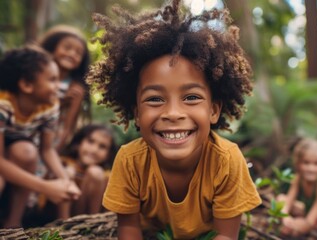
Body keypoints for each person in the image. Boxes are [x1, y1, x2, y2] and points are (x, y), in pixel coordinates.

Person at [86, 1, 262, 239]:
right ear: (137, 113)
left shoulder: (226, 161)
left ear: (213, 110)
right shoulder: (130, 161)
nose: (173, 113)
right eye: (155, 99)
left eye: (191, 97)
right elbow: (129, 229)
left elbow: (226, 236)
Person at [0, 46, 80, 228]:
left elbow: (47, 149)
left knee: (26, 151)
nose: (58, 86)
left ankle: (13, 224)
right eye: (52, 80)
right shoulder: (3, 105)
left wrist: (66, 183)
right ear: (27, 85)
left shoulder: (50, 106)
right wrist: (46, 187)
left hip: (17, 153)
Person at [39, 25, 91, 151]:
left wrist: (56, 152)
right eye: (67, 48)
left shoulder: (76, 89)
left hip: (52, 141)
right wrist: (61, 102)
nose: (72, 54)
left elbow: (67, 128)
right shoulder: (36, 77)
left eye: (79, 53)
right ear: (52, 49)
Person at [57, 124, 117, 219]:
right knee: (68, 172)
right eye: (90, 141)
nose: (94, 150)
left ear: (108, 155)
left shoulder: (107, 177)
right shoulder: (62, 163)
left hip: (89, 218)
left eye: (102, 147)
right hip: (56, 217)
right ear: (78, 144)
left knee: (96, 172)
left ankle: (93, 222)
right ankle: (64, 221)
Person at [276, 139, 317, 237]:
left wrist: (298, 225)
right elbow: (289, 200)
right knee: (281, 198)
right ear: (298, 163)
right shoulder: (298, 177)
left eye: (316, 164)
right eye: (306, 163)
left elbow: (312, 219)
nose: (311, 168)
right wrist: (286, 218)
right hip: (307, 210)